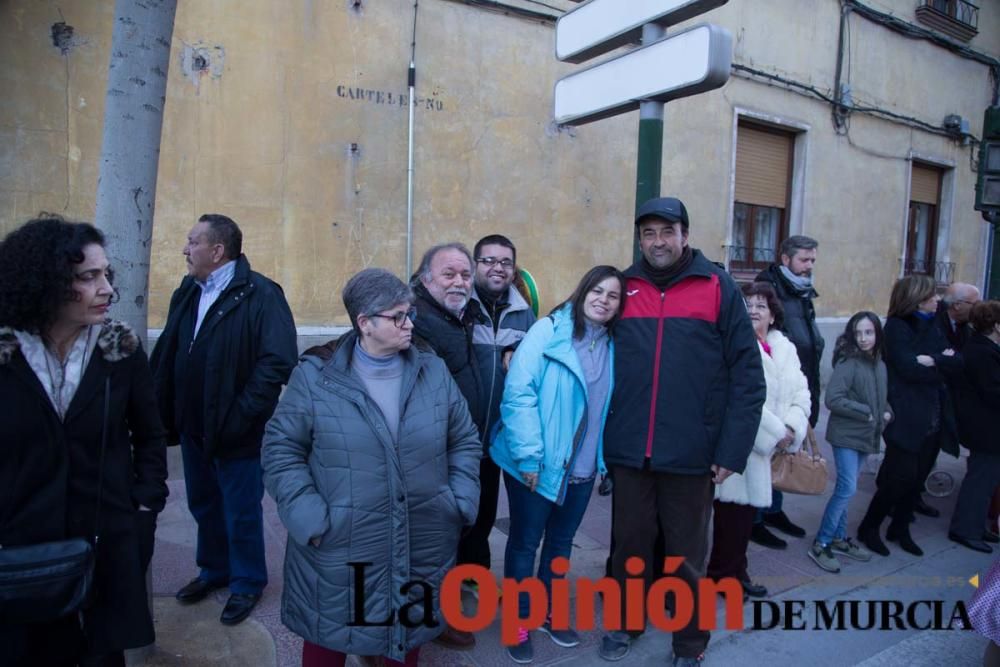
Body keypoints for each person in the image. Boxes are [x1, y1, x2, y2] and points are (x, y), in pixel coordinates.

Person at [262, 268, 481, 667]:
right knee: (327, 637)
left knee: (407, 636)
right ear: (364, 322)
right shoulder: (315, 378)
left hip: (423, 535)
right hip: (339, 543)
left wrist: (460, 501)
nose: (409, 323)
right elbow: (281, 448)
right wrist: (308, 517)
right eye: (398, 316)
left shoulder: (432, 371)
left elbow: (463, 440)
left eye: (409, 313)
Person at [599, 197, 765, 666]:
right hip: (630, 450)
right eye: (648, 233)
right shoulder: (623, 286)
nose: (657, 242)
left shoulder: (717, 286)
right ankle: (626, 622)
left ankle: (690, 645)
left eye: (666, 232)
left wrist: (732, 449)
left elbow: (747, 375)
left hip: (694, 452)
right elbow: (580, 330)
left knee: (686, 557)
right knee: (628, 549)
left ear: (685, 236)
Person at [0, 215, 168, 666]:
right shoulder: (6, 354)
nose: (107, 289)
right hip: (20, 555)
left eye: (106, 275)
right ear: (45, 282)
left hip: (106, 545)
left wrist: (145, 507)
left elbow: (151, 436)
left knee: (101, 656)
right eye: (88, 277)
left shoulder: (121, 351)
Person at [150, 213, 297, 625]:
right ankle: (213, 571)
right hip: (193, 423)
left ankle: (247, 582)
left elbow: (277, 361)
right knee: (203, 503)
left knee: (241, 509)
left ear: (217, 251)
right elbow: (172, 346)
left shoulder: (261, 293)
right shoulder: (189, 289)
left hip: (236, 429)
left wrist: (242, 415)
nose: (184, 249)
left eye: (192, 241)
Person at [490, 265, 624, 664]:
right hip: (536, 462)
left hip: (582, 468)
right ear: (582, 292)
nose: (603, 300)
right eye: (597, 291)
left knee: (561, 544)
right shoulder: (549, 332)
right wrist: (529, 454)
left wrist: (601, 462)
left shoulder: (614, 344)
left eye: (613, 296)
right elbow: (518, 393)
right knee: (525, 544)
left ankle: (547, 611)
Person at [708, 282, 809, 597]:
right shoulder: (735, 345)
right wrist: (777, 434)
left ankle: (736, 572)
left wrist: (793, 426)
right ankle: (723, 576)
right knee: (732, 518)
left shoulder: (785, 347)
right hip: (743, 445)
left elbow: (801, 391)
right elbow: (742, 399)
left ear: (773, 315)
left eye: (760, 305)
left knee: (747, 518)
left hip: (770, 448)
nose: (753, 310)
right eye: (747, 304)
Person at [408, 242, 484, 648]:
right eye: (448, 274)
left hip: (458, 448)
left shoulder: (461, 315)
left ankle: (435, 615)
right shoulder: (414, 321)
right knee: (423, 545)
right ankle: (408, 628)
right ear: (425, 279)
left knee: (447, 540)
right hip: (427, 455)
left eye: (465, 275)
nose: (459, 282)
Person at [857, 274, 960, 557]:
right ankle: (869, 527)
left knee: (917, 481)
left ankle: (900, 528)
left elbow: (957, 362)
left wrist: (933, 360)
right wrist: (940, 360)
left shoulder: (934, 324)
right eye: (931, 297)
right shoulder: (897, 327)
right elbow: (908, 369)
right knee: (898, 478)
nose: (937, 301)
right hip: (906, 415)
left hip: (934, 415)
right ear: (916, 299)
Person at [466, 234, 536, 586]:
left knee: (485, 512)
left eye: (505, 262)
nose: (498, 268)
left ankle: (474, 581)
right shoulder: (459, 306)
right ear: (476, 265)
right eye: (489, 261)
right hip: (461, 432)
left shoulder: (525, 313)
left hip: (498, 434)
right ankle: (451, 582)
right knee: (458, 512)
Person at [752, 235, 822, 548]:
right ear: (785, 259)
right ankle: (755, 518)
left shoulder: (802, 291)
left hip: (797, 379)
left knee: (784, 452)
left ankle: (773, 510)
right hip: (771, 387)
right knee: (765, 454)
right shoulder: (768, 287)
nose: (809, 266)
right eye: (804, 260)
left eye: (812, 260)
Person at [809, 312, 891, 573]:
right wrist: (865, 411)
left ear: (877, 334)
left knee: (849, 489)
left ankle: (839, 537)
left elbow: (880, 397)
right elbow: (833, 399)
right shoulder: (849, 363)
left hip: (865, 436)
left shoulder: (879, 364)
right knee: (846, 489)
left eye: (868, 332)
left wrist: (887, 410)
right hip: (846, 435)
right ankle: (821, 542)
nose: (863, 338)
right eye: (858, 333)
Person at [949, 300, 1000, 553]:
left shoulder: (985, 347)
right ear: (997, 326)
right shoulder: (982, 351)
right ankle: (965, 530)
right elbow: (992, 392)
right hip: (985, 428)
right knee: (980, 481)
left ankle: (976, 526)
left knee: (986, 480)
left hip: (987, 426)